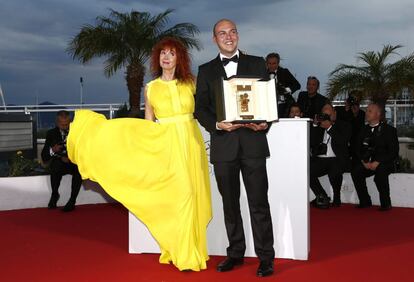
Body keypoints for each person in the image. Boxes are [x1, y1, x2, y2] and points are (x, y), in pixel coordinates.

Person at [67, 37, 212, 271]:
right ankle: (185, 254)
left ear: (179, 58)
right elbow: (148, 122)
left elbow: (206, 108)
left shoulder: (191, 83)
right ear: (158, 58)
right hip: (165, 144)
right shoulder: (151, 87)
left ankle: (193, 248)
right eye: (162, 53)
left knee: (193, 196)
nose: (166, 57)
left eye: (172, 53)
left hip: (191, 142)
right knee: (182, 196)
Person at [195, 19, 274, 277]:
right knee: (230, 205)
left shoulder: (257, 63)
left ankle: (266, 258)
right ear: (214, 39)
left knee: (259, 204)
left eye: (232, 32)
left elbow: (267, 102)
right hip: (224, 147)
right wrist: (217, 124)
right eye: (222, 33)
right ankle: (235, 253)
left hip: (253, 145)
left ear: (238, 35)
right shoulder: (206, 70)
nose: (228, 37)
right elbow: (201, 109)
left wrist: (265, 122)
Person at [350, 103, 399, 211]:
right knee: (356, 171)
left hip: (384, 162)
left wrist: (378, 162)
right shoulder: (362, 130)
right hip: (367, 162)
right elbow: (357, 149)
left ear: (378, 114)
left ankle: (386, 203)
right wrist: (363, 161)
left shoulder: (389, 130)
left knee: (380, 173)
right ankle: (365, 201)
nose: (367, 113)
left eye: (370, 111)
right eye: (367, 111)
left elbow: (393, 152)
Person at [309, 103, 351, 208]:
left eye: (328, 114)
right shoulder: (318, 126)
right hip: (320, 159)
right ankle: (322, 196)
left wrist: (330, 127)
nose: (326, 117)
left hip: (336, 158)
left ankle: (337, 197)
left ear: (334, 113)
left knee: (335, 170)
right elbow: (311, 142)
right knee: (307, 172)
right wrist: (314, 125)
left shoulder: (344, 125)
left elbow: (343, 140)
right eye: (324, 115)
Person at [41, 110, 82, 212]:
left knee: (79, 171)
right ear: (57, 122)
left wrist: (72, 157)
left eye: (66, 124)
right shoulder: (51, 133)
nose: (64, 126)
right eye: (62, 124)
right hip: (59, 164)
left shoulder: (77, 133)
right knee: (55, 166)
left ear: (70, 122)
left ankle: (72, 201)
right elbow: (44, 156)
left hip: (74, 163)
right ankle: (55, 194)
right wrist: (53, 150)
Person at [266, 52, 300, 118]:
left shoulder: (284, 72)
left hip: (284, 106)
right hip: (268, 106)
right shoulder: (263, 74)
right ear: (267, 63)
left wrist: (285, 90)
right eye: (269, 63)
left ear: (278, 63)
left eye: (274, 63)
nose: (272, 66)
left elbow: (297, 85)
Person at [335, 93, 366, 167]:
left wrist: (355, 114)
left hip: (354, 142)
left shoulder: (361, 113)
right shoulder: (338, 109)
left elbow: (359, 129)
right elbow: (338, 124)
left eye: (355, 100)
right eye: (352, 99)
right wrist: (346, 109)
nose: (353, 101)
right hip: (341, 141)